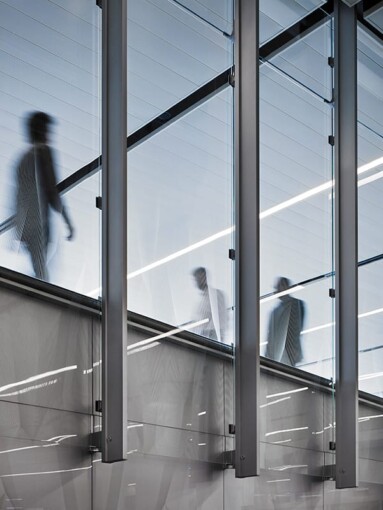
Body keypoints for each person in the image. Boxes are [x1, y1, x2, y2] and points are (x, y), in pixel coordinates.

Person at [14, 111, 74, 281]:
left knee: (39, 267)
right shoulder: (44, 152)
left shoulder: (22, 160)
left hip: (26, 223)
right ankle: (36, 294)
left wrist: (19, 228)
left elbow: (19, 195)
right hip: (40, 222)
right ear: (43, 131)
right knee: (41, 272)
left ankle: (33, 289)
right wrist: (68, 222)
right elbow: (52, 191)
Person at [265, 276, 305, 367]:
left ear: (286, 287)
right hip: (276, 354)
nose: (277, 290)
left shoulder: (296, 304)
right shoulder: (274, 312)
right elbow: (270, 335)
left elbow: (296, 329)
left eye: (279, 286)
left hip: (289, 352)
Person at [192, 266, 227, 342]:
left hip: (211, 336)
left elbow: (220, 319)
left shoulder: (215, 295)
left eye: (198, 278)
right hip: (205, 336)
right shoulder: (203, 299)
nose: (197, 282)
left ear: (204, 277)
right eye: (195, 280)